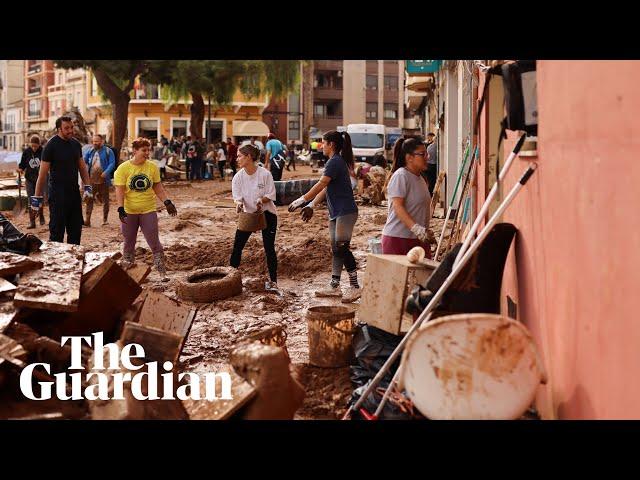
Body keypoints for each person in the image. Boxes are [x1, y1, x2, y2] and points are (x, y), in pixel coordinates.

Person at [288, 130, 361, 303]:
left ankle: (355, 287)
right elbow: (326, 188)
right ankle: (334, 286)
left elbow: (321, 184)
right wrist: (311, 205)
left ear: (331, 145)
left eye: (323, 142)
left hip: (346, 211)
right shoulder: (334, 162)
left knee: (342, 248)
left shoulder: (335, 162)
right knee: (336, 249)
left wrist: (302, 199)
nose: (321, 146)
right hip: (336, 212)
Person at [114, 137, 178, 281]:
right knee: (129, 242)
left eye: (148, 150)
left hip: (148, 210)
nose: (147, 153)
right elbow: (119, 190)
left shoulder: (152, 167)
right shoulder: (123, 168)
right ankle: (128, 274)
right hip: (129, 211)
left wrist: (167, 202)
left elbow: (157, 187)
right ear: (134, 151)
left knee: (154, 242)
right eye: (144, 150)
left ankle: (162, 272)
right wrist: (120, 208)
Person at [31, 116, 93, 245]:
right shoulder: (50, 146)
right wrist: (36, 200)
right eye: (67, 128)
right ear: (59, 129)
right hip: (57, 195)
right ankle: (56, 263)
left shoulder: (75, 144)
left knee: (76, 231)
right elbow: (41, 176)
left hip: (74, 194)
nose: (70, 130)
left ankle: (75, 262)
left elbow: (82, 167)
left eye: (71, 127)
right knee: (57, 233)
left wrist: (88, 187)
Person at [230, 144, 279, 292]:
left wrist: (260, 201)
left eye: (239, 156)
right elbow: (237, 197)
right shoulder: (238, 177)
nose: (237, 159)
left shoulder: (265, 174)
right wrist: (238, 204)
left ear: (249, 157)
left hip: (267, 214)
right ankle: (230, 278)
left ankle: (273, 281)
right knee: (237, 245)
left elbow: (271, 195)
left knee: (269, 247)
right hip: (248, 215)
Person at [381, 137, 432, 257]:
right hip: (398, 240)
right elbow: (397, 207)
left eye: (427, 153)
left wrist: (423, 232)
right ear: (409, 157)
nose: (427, 157)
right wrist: (417, 229)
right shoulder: (401, 176)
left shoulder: (421, 178)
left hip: (418, 240)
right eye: (422, 154)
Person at [83, 134, 116, 227]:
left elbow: (112, 163)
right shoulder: (90, 151)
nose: (95, 143)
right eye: (93, 141)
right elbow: (84, 160)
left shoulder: (108, 151)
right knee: (89, 199)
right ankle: (87, 220)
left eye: (97, 141)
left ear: (102, 141)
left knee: (105, 200)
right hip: (92, 179)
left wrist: (106, 172)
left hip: (104, 179)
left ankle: (105, 220)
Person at [18, 135, 46, 229]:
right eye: (32, 146)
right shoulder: (26, 152)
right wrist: (20, 169)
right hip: (29, 179)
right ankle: (32, 222)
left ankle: (41, 216)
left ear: (39, 144)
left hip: (40, 179)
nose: (34, 148)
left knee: (39, 198)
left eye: (36, 146)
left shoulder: (43, 151)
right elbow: (22, 163)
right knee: (31, 200)